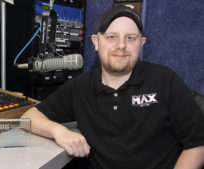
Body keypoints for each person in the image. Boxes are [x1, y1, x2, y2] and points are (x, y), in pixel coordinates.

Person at [21, 5, 204, 169]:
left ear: (141, 44)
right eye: (111, 36)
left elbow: (197, 145)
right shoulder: (80, 87)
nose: (121, 45)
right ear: (96, 42)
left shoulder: (165, 80)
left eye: (130, 38)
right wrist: (58, 131)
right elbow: (28, 118)